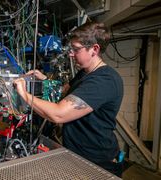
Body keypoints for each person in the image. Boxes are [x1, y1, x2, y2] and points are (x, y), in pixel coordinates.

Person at [13, 22, 124, 177]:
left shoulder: (104, 80)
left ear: (95, 49)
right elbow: (66, 92)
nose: (71, 54)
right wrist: (45, 80)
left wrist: (24, 95)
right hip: (78, 156)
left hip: (97, 163)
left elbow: (59, 114)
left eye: (76, 49)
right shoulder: (84, 73)